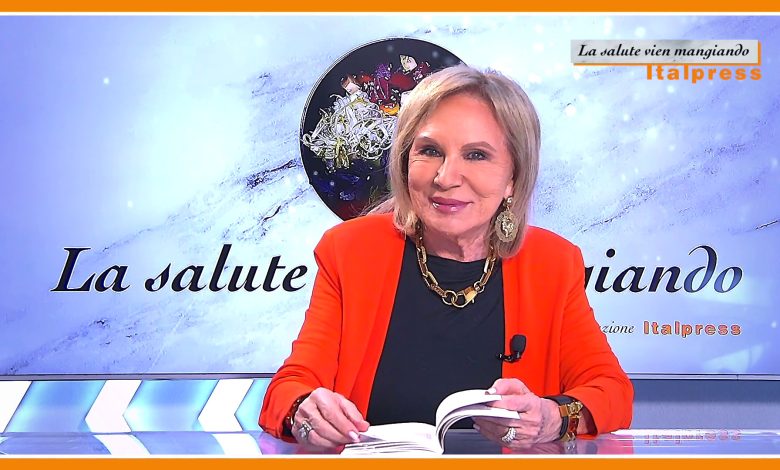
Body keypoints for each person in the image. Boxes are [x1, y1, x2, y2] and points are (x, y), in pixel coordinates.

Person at [259, 64, 633, 450]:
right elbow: (288, 389)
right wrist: (303, 410)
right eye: (430, 151)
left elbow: (611, 391)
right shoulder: (350, 252)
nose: (445, 177)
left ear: (513, 178)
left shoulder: (552, 263)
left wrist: (553, 418)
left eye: (476, 155)